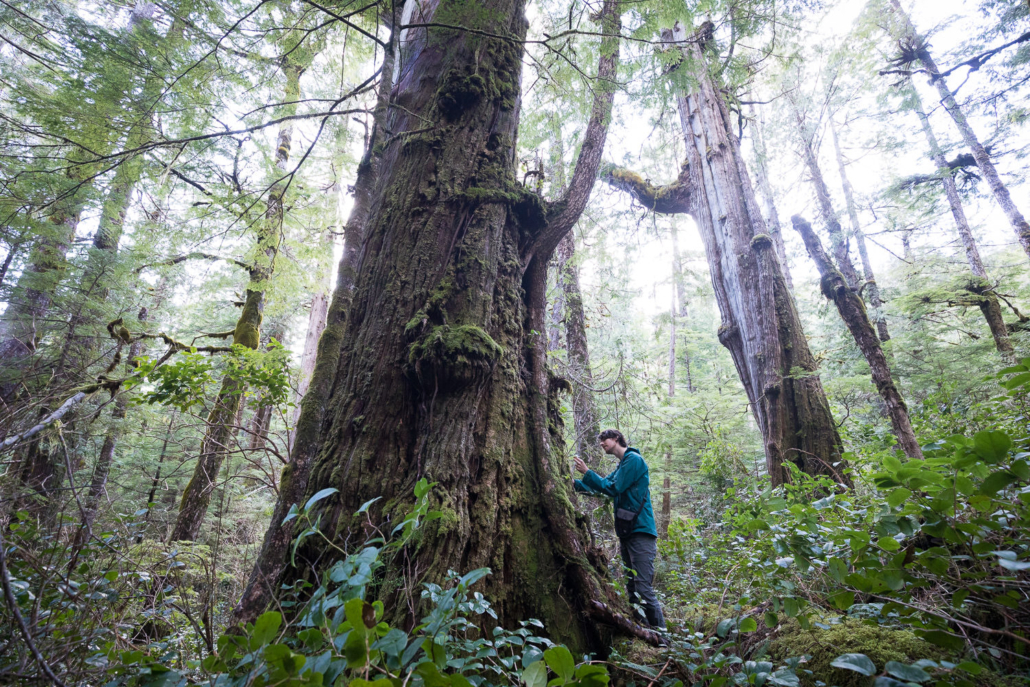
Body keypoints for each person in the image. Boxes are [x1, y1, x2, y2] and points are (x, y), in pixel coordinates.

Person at [573, 429, 665, 629]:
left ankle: (663, 635)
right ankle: (643, 630)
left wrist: (587, 472)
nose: (601, 444)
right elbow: (604, 486)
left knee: (643, 587)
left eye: (604, 440)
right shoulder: (622, 465)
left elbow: (612, 488)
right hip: (628, 532)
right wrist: (574, 484)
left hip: (641, 531)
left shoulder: (633, 459)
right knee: (632, 586)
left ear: (615, 439)